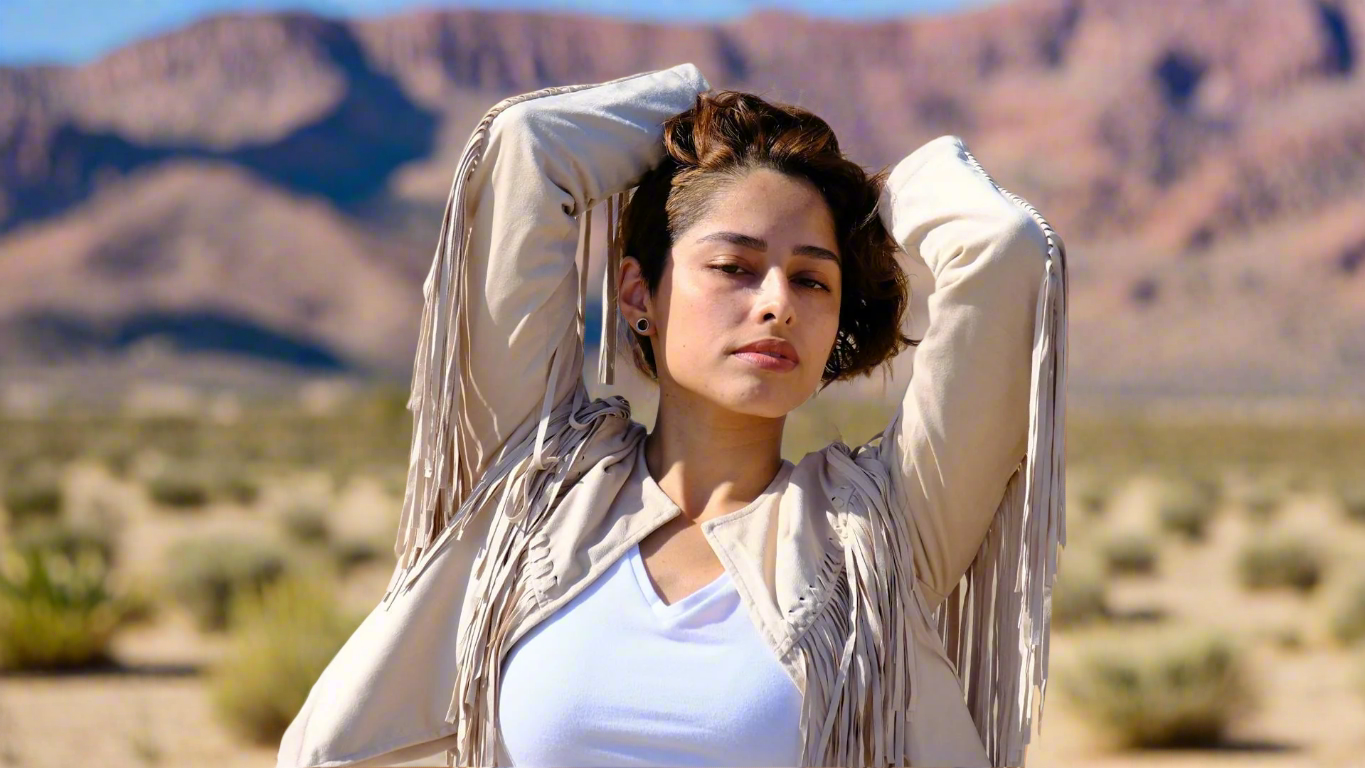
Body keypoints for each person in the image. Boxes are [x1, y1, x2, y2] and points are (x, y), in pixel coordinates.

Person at [277, 62, 1067, 768]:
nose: (775, 305)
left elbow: (1000, 249)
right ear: (635, 295)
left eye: (812, 281)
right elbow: (529, 147)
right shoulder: (539, 488)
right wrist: (699, 110)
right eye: (733, 266)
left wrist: (881, 189)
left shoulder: (878, 536)